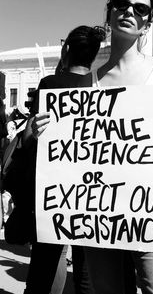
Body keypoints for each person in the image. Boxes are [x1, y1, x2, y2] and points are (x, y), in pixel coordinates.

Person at [28, 0, 153, 294]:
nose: (130, 11)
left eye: (140, 8)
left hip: (150, 211)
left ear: (148, 22)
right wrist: (42, 134)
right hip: (99, 216)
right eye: (122, 4)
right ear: (109, 13)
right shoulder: (90, 82)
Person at [22, 25, 107, 294]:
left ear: (66, 49)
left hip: (54, 189)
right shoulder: (103, 87)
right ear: (94, 55)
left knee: (46, 258)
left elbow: (30, 137)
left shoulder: (49, 85)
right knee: (86, 263)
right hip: (92, 188)